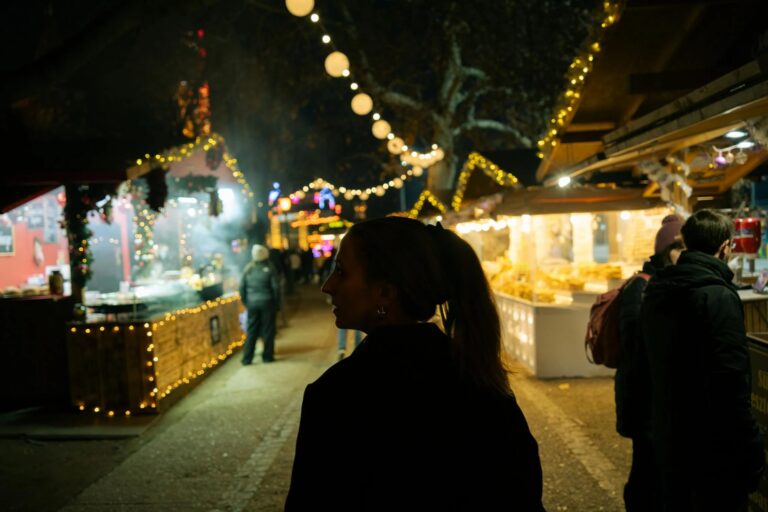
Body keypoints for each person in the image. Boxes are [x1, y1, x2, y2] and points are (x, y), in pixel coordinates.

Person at [286, 217, 544, 510]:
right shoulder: (481, 380)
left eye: (342, 271)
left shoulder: (337, 396)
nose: (328, 285)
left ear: (386, 292)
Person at [641, 209, 764, 511]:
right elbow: (731, 378)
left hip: (670, 435)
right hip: (714, 445)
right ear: (725, 247)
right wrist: (750, 444)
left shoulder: (656, 290)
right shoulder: (717, 295)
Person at [616, 214, 683, 511]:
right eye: (677, 247)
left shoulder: (669, 283)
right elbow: (631, 341)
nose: (682, 254)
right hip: (642, 394)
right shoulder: (640, 287)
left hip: (658, 395)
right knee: (645, 467)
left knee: (658, 468)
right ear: (663, 251)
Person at [239, 244, 279, 364]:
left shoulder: (248, 269)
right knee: (268, 329)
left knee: (252, 330)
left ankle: (247, 358)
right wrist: (276, 304)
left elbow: (242, 288)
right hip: (267, 303)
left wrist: (246, 302)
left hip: (252, 303)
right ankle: (267, 356)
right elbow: (275, 288)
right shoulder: (270, 268)